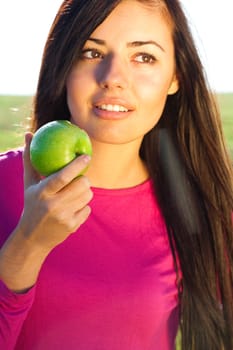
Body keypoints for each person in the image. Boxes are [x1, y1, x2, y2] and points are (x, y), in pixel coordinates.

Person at [0, 0, 232, 349]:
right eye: (91, 53)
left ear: (176, 77)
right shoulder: (3, 185)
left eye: (143, 57)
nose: (112, 78)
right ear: (64, 65)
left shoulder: (202, 208)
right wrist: (28, 245)